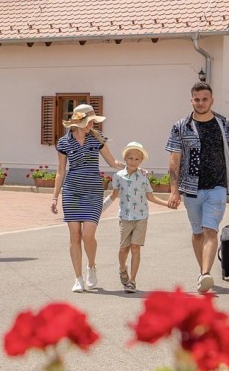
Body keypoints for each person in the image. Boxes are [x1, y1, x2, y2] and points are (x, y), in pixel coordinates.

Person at [165, 81, 229, 293]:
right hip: (191, 189)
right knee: (198, 232)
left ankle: (206, 273)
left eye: (204, 99)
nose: (201, 103)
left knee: (210, 230)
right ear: (191, 100)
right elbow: (174, 160)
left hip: (217, 186)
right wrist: (174, 191)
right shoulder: (180, 126)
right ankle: (203, 272)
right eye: (197, 99)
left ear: (212, 100)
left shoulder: (224, 124)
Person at [51, 103, 120, 292]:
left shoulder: (97, 138)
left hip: (93, 193)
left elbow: (112, 162)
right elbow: (61, 170)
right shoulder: (64, 142)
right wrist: (55, 197)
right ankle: (78, 278)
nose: (92, 125)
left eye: (93, 121)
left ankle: (91, 265)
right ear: (79, 122)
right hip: (72, 192)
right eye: (89, 121)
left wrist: (134, 169)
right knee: (75, 236)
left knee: (88, 235)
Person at [109, 142, 176, 293]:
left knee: (135, 248)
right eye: (130, 158)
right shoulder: (118, 176)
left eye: (137, 159)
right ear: (125, 159)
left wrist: (167, 204)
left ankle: (132, 281)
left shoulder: (143, 177)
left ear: (141, 161)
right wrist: (100, 208)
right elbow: (113, 195)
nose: (133, 161)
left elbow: (150, 196)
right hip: (125, 217)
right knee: (123, 249)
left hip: (141, 217)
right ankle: (122, 268)